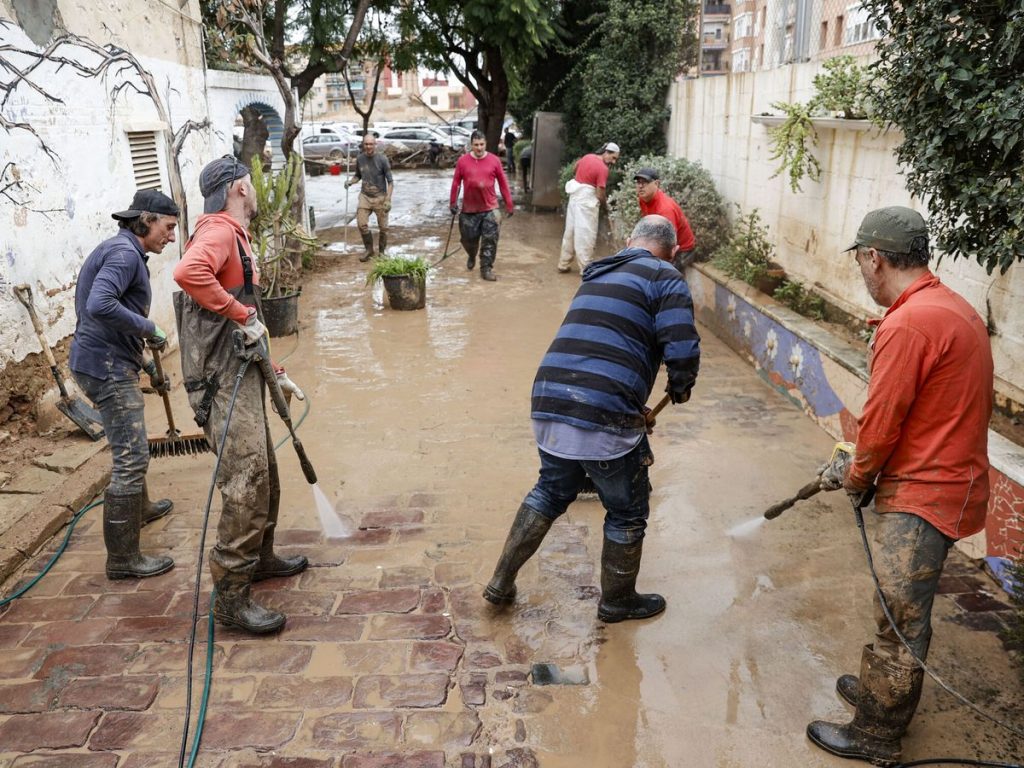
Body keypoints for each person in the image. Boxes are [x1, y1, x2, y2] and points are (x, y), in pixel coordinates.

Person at [807, 207, 994, 764]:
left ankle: (876, 732)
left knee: (899, 615)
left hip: (926, 489)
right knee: (900, 605)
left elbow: (883, 419)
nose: (863, 276)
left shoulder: (910, 324)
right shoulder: (949, 307)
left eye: (862, 264)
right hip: (948, 479)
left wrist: (857, 475)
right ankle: (880, 697)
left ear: (875, 258)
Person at [483, 215, 700, 623]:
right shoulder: (665, 276)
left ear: (631, 240)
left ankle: (500, 582)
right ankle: (618, 601)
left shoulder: (600, 272)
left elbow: (604, 345)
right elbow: (682, 348)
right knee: (627, 511)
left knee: (550, 492)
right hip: (601, 412)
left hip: (550, 398)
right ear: (670, 251)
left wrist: (630, 409)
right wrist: (682, 386)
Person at [172, 155, 308, 635]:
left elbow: (240, 317)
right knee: (246, 483)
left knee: (265, 474)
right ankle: (230, 598)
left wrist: (272, 365)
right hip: (221, 383)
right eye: (250, 181)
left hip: (241, 372)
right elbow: (189, 273)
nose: (254, 187)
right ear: (238, 188)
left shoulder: (231, 234)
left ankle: (261, 558)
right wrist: (238, 312)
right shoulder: (219, 231)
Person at [70, 189, 180, 580]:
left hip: (106, 360)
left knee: (132, 441)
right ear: (146, 220)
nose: (171, 236)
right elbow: (100, 305)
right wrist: (149, 326)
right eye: (168, 227)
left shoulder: (122, 250)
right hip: (105, 368)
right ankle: (122, 559)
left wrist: (145, 360)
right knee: (131, 457)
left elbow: (105, 315)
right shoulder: (123, 254)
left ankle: (142, 508)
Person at [449, 130, 514, 282]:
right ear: (471, 145)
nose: (479, 148)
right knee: (468, 239)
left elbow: (503, 184)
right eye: (476, 145)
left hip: (490, 208)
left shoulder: (494, 161)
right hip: (469, 209)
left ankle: (486, 268)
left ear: (486, 144)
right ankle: (472, 254)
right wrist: (452, 203)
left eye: (482, 144)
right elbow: (456, 183)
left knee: (490, 240)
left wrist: (509, 204)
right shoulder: (463, 161)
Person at [558, 142, 620, 274]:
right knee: (586, 235)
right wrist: (605, 206)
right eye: (613, 157)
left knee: (570, 231)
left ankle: (563, 263)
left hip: (574, 197)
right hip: (587, 201)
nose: (614, 162)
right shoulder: (603, 169)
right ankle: (586, 269)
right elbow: (600, 193)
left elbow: (575, 169)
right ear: (606, 152)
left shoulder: (587, 157)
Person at [634, 168, 696, 270]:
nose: (640, 186)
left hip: (683, 250)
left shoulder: (665, 209)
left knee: (666, 274)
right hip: (661, 239)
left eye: (645, 182)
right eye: (638, 182)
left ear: (657, 184)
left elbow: (669, 244)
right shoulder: (643, 199)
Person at [344, 133, 393, 262]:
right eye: (366, 144)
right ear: (363, 145)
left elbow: (391, 182)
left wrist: (388, 199)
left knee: (383, 227)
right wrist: (351, 181)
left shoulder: (382, 159)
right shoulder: (360, 159)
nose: (368, 146)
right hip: (365, 196)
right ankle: (369, 250)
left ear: (375, 145)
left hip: (380, 197)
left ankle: (382, 252)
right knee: (361, 224)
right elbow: (358, 175)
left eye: (371, 144)